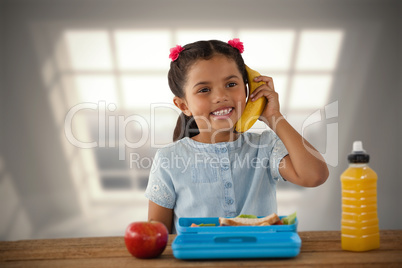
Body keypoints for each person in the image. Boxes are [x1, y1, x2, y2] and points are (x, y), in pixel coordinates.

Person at [145, 39, 329, 233]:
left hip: (260, 259)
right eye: (204, 90)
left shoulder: (266, 146)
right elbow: (157, 234)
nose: (220, 96)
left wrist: (274, 117)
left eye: (231, 84)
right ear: (183, 105)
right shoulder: (168, 159)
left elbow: (314, 176)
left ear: (248, 90)